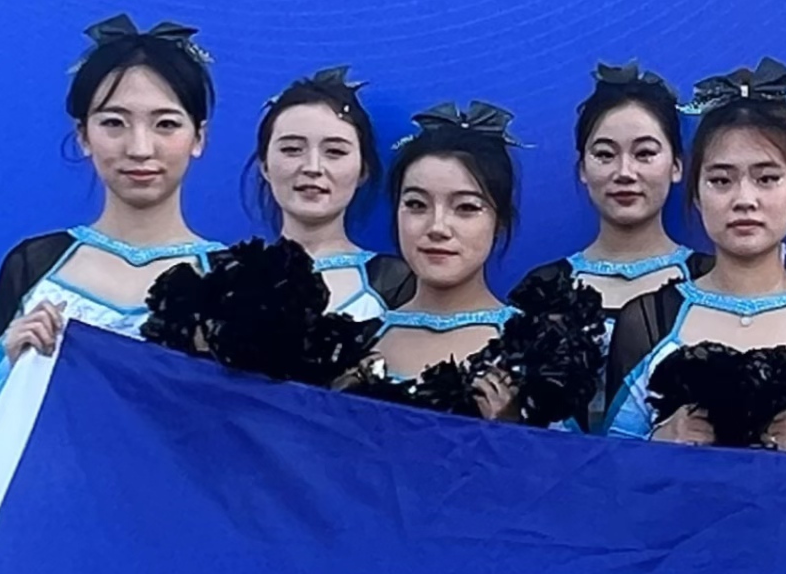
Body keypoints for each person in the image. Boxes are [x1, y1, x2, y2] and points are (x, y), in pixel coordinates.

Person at [606, 61, 786, 452]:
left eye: (767, 179)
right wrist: (659, 441)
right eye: (721, 180)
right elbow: (608, 468)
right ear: (696, 195)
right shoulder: (649, 321)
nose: (745, 199)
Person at [0, 16, 221, 422]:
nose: (139, 148)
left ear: (198, 137)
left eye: (165, 124)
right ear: (83, 135)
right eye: (113, 123)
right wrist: (15, 370)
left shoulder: (234, 280)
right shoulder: (35, 265)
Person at [358, 102, 527, 411]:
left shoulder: (531, 349)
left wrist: (511, 427)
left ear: (499, 221)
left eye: (466, 207)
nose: (437, 227)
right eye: (417, 205)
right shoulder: (360, 344)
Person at [247, 66, 411, 324]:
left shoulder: (396, 282)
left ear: (363, 171)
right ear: (265, 166)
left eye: (335, 152)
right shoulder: (230, 277)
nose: (312, 167)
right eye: (292, 149)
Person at [542, 60, 698, 316]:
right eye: (605, 154)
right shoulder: (543, 291)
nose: (624, 172)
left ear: (676, 166)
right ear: (582, 169)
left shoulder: (712, 280)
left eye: (644, 153)